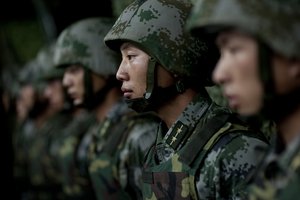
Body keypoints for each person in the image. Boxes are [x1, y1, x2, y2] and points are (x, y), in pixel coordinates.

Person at [104, 0, 269, 199]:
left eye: (131, 56)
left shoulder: (237, 150)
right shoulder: (158, 150)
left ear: (174, 61)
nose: (120, 73)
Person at [186, 0, 300, 199]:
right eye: (222, 53)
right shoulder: (277, 160)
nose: (219, 75)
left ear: (293, 57)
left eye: (235, 49)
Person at [53, 17, 160, 200]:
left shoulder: (141, 135)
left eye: (74, 69)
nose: (66, 82)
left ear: (102, 65)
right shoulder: (96, 134)